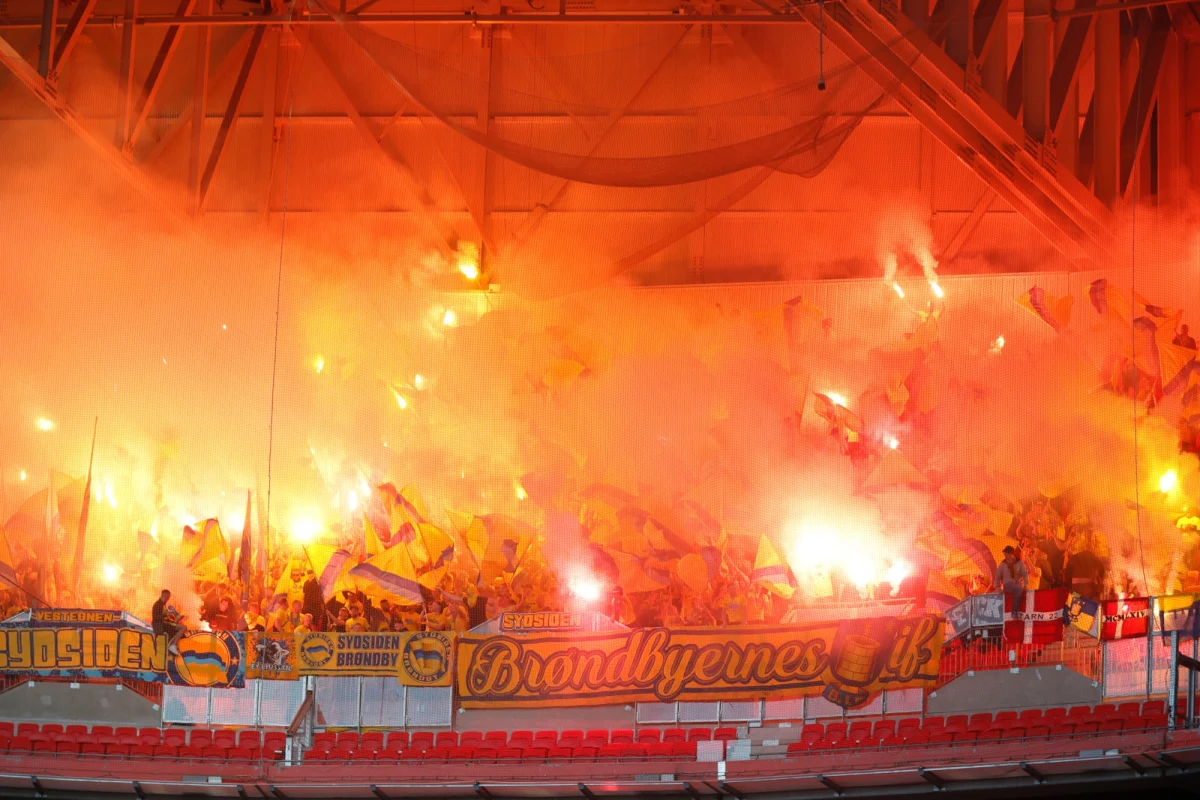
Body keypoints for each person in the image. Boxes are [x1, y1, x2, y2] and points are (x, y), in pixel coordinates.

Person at [994, 546, 1028, 612]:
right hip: (1007, 586)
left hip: (1017, 584)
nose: (1004, 555)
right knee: (1018, 590)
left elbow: (1025, 574)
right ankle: (1014, 611)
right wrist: (998, 587)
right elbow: (997, 576)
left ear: (1010, 554)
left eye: (1005, 553)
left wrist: (1025, 585)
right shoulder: (1002, 564)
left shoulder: (1019, 562)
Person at [151, 589, 184, 655]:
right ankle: (172, 645)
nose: (168, 598)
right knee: (183, 628)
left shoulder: (163, 605)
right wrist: (166, 614)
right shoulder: (158, 604)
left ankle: (172, 646)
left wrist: (173, 620)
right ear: (165, 595)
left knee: (181, 630)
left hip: (163, 625)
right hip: (160, 626)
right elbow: (155, 618)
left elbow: (164, 617)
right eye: (168, 597)